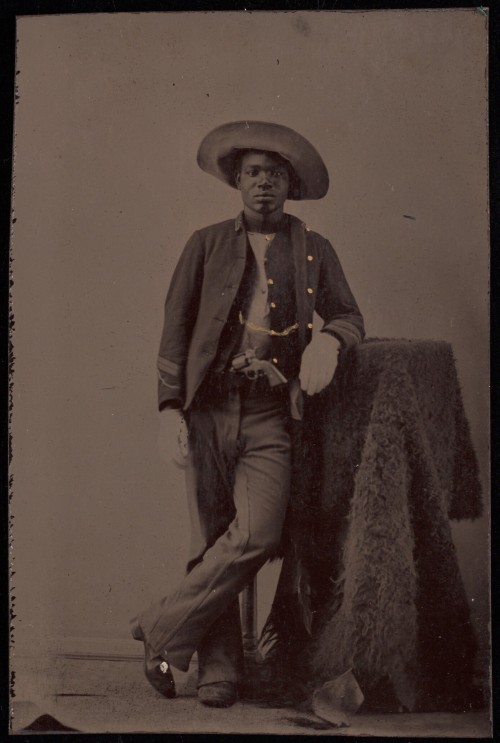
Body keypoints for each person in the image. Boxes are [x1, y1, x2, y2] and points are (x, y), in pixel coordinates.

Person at [131, 121, 365, 708]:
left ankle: (160, 628)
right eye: (254, 172)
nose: (264, 183)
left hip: (269, 411)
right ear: (237, 180)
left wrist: (328, 342)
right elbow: (175, 329)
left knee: (257, 532)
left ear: (291, 184)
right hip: (207, 408)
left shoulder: (314, 248)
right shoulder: (205, 243)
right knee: (210, 537)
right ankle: (219, 669)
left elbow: (350, 315)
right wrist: (167, 410)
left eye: (276, 173)